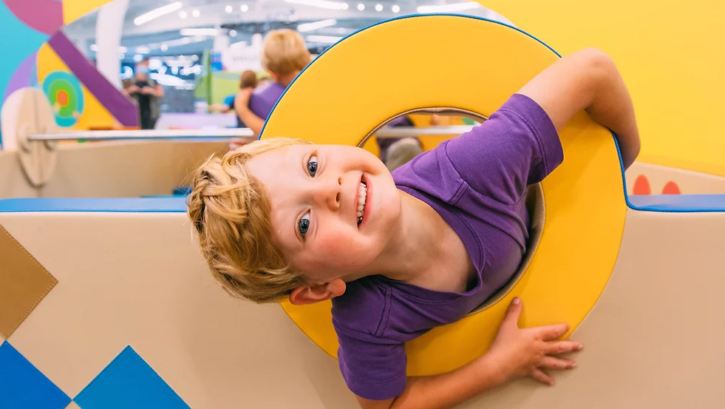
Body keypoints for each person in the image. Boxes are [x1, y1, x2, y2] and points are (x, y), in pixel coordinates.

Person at [187, 48, 640, 409]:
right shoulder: (367, 319)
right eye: (304, 224)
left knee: (407, 160)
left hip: (486, 194)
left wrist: (619, 169)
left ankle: (400, 160)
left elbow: (592, 68)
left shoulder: (478, 163)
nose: (331, 190)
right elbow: (385, 407)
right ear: (318, 288)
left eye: (312, 165)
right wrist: (497, 368)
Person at [229, 29, 311, 149]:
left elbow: (276, 136)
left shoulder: (266, 99)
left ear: (273, 73)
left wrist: (242, 110)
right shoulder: (315, 85)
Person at [123, 58, 164, 129]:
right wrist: (130, 90)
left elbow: (160, 93)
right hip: (134, 113)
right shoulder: (129, 82)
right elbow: (120, 95)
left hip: (150, 113)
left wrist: (151, 91)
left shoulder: (152, 82)